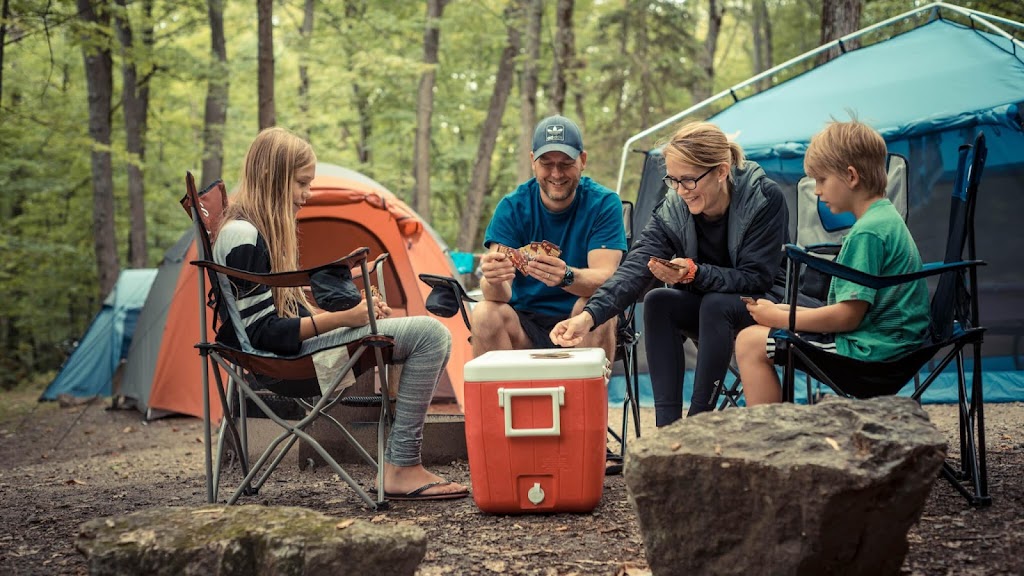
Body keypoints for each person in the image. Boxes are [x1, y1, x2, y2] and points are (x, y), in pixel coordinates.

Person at [213, 127, 468, 501]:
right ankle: (401, 467)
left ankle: (402, 464)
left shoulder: (254, 232)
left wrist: (356, 311)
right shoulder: (242, 235)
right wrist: (348, 319)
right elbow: (262, 333)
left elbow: (279, 314)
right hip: (282, 364)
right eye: (301, 183)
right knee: (431, 336)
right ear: (271, 175)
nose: (307, 194)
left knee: (424, 334)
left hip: (290, 356)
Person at [551, 121, 790, 427]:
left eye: (688, 180)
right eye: (673, 180)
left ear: (721, 171)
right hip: (709, 311)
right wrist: (588, 317)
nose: (680, 191)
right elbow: (634, 268)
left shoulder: (763, 197)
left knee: (716, 303)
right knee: (659, 301)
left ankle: (699, 423)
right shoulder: (675, 206)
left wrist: (695, 274)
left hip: (764, 306)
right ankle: (667, 429)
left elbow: (757, 278)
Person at [734, 120, 930, 404]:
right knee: (759, 334)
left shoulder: (868, 232)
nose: (816, 191)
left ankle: (770, 431)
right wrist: (782, 310)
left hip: (872, 355)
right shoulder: (885, 218)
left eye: (821, 180)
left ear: (851, 176)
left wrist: (781, 319)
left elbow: (847, 317)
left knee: (750, 342)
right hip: (889, 345)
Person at [473, 115, 626, 364]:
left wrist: (566, 276)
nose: (556, 173)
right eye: (546, 163)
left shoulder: (604, 203)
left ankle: (588, 390)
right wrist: (492, 278)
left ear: (583, 160)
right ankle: (502, 390)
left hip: (579, 322)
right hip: (524, 324)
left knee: (596, 306)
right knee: (484, 312)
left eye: (566, 163)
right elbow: (497, 295)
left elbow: (607, 280)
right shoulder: (512, 207)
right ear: (533, 161)